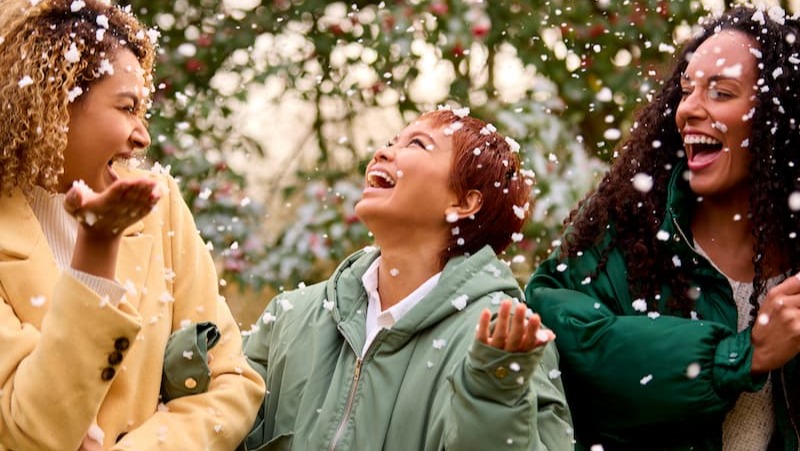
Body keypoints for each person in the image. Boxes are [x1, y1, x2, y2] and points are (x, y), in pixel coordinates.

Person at [526, 5, 800, 450]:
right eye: (687, 89)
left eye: (721, 92)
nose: (688, 109)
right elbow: (570, 343)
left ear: (780, 115)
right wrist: (740, 357)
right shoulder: (625, 228)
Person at [0, 1, 264, 449]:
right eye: (126, 108)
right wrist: (97, 248)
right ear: (54, 102)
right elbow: (32, 425)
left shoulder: (159, 204)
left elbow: (232, 382)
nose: (142, 136)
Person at [237, 107, 573, 450]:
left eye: (417, 144)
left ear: (464, 202)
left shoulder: (503, 340)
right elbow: (221, 426)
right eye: (390, 142)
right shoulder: (290, 318)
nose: (382, 153)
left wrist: (493, 397)